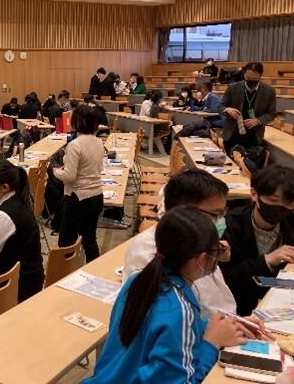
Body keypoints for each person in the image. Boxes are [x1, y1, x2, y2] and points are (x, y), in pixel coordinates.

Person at [84, 207, 256, 384]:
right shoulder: (180, 309)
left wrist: (224, 325)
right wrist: (211, 345)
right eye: (217, 250)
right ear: (202, 259)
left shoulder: (137, 280)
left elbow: (164, 328)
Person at [123, 169, 236, 317]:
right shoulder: (147, 251)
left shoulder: (195, 239)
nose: (220, 221)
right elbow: (164, 318)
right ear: (185, 213)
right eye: (215, 214)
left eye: (223, 213)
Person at [220, 164, 294, 315]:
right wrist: (267, 260)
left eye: (288, 203)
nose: (280, 207)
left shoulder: (290, 222)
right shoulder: (230, 226)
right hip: (239, 304)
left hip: (279, 298)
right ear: (254, 194)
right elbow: (226, 277)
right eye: (273, 200)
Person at [0, 160, 45, 302]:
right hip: (31, 275)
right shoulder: (19, 199)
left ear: (4, 187)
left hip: (18, 283)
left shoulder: (4, 215)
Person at [53, 104, 104, 261]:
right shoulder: (99, 142)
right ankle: (93, 271)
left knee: (66, 242)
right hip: (97, 195)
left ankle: (65, 273)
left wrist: (55, 171)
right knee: (90, 239)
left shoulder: (75, 145)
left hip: (78, 197)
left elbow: (69, 176)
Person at [222, 61, 277, 154]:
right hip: (232, 135)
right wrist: (226, 109)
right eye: (248, 78)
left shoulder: (269, 91)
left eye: (254, 78)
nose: (251, 81)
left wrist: (258, 121)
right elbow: (220, 106)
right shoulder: (232, 88)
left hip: (253, 137)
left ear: (260, 76)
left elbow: (272, 113)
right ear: (244, 75)